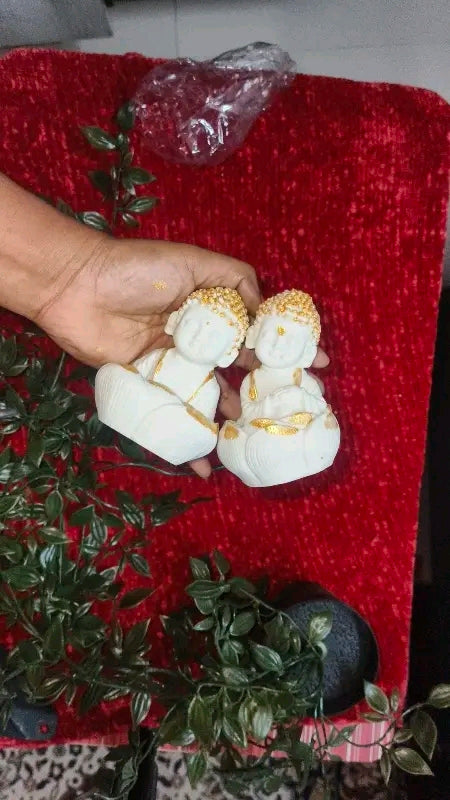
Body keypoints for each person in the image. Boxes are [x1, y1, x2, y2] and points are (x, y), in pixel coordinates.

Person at [0, 172, 329, 476]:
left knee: (212, 435)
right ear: (174, 322)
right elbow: (134, 378)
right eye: (196, 325)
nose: (200, 337)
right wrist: (75, 273)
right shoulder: (162, 358)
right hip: (143, 401)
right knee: (117, 379)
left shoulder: (214, 387)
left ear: (228, 354)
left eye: (214, 337)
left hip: (274, 427)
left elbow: (212, 415)